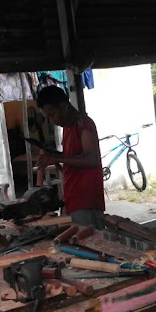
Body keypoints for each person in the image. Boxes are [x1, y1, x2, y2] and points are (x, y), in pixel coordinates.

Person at [36, 86, 105, 229]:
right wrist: (53, 156)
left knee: (92, 242)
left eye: (52, 114)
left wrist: (57, 158)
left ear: (64, 106)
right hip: (75, 197)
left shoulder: (84, 124)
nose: (52, 121)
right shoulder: (67, 127)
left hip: (87, 199)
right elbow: (72, 157)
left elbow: (91, 159)